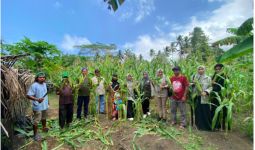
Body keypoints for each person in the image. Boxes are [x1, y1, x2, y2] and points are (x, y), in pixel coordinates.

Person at [27, 72, 49, 141]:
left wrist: (48, 102)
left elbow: (46, 94)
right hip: (37, 106)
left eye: (43, 77)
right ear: (37, 78)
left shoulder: (45, 84)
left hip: (44, 105)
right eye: (40, 77)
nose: (42, 78)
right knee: (36, 120)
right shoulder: (34, 85)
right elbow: (28, 95)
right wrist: (37, 99)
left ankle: (44, 127)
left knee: (44, 118)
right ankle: (35, 134)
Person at [191, 66, 212, 131]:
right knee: (197, 112)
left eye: (202, 69)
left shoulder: (208, 78)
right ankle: (198, 126)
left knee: (205, 111)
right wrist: (192, 84)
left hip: (204, 97)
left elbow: (211, 87)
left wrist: (206, 92)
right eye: (199, 69)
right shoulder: (194, 77)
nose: (200, 70)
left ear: (204, 70)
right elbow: (191, 86)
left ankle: (206, 127)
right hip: (196, 97)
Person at [211, 64, 228, 130]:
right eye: (216, 69)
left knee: (223, 111)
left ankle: (223, 126)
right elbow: (211, 84)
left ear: (222, 69)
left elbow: (227, 86)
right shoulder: (214, 76)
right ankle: (216, 126)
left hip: (222, 96)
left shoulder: (225, 76)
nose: (217, 70)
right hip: (215, 95)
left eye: (219, 69)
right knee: (215, 110)